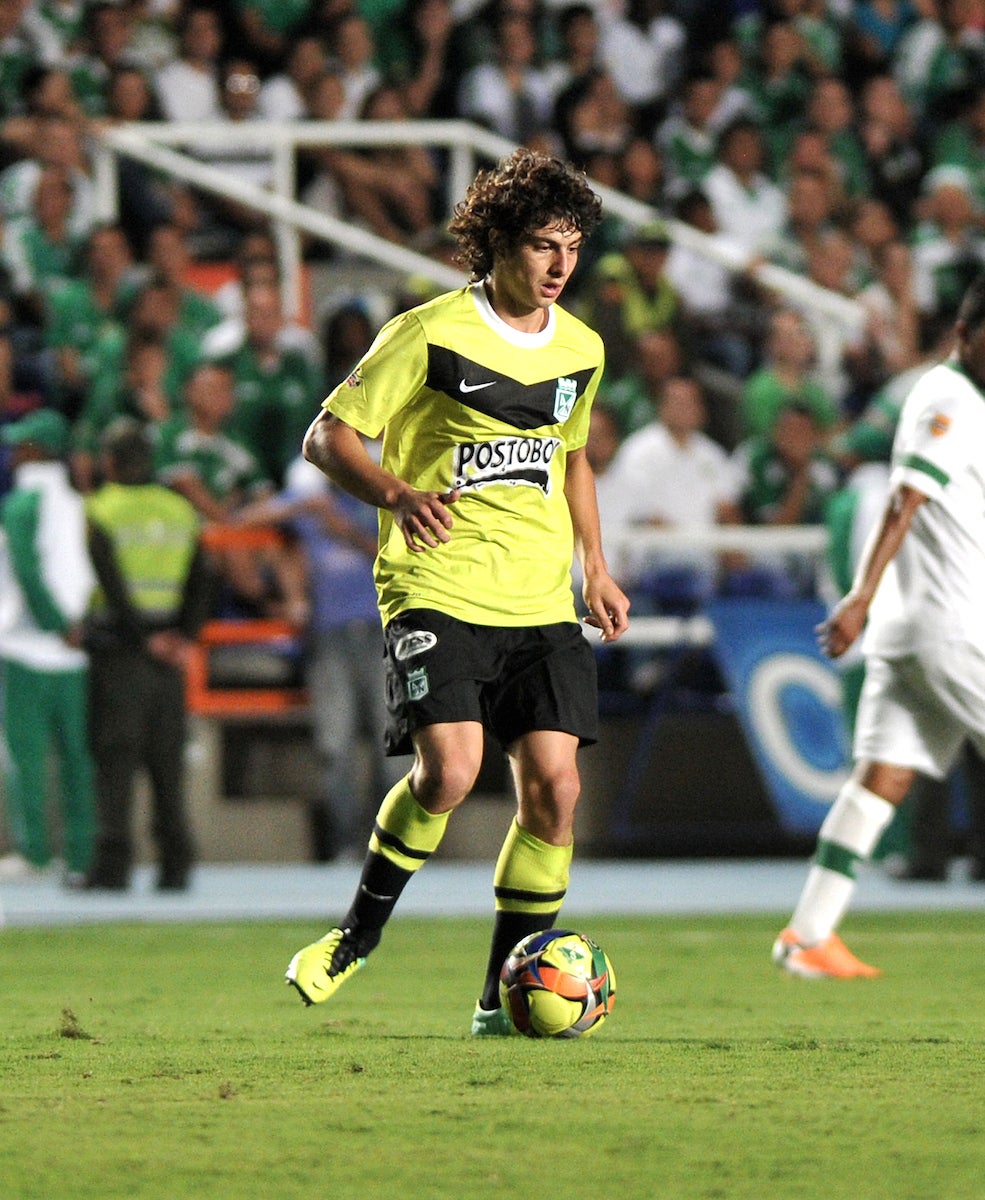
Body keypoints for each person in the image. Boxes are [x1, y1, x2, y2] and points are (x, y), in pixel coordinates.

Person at [283, 147, 630, 1035]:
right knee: (451, 771)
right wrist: (397, 493)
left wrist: (594, 564)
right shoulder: (427, 332)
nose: (559, 266)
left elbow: (572, 455)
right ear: (497, 244)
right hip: (435, 584)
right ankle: (353, 938)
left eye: (573, 247)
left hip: (538, 599)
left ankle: (500, 1001)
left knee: (556, 789)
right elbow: (328, 439)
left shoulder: (581, 350)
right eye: (543, 246)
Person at [773, 272, 985, 978]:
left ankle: (807, 936)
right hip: (946, 625)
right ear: (962, 334)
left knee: (879, 782)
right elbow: (904, 499)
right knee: (879, 781)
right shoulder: (947, 395)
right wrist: (859, 595)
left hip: (914, 630)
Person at [83, 417, 213, 891]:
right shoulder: (179, 510)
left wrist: (143, 637)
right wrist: (184, 636)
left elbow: (109, 582)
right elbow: (203, 577)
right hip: (171, 656)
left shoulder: (101, 508)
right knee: (166, 762)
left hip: (122, 651)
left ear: (110, 461)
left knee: (116, 759)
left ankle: (112, 866)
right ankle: (176, 865)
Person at [0, 408, 97, 884]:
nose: (14, 453)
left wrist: (53, 621)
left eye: (22, 445)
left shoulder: (23, 503)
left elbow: (24, 566)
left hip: (27, 646)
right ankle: (80, 853)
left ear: (37, 451)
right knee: (77, 757)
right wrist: (77, 624)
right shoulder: (79, 502)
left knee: (28, 757)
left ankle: (35, 850)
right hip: (74, 649)